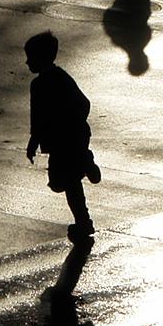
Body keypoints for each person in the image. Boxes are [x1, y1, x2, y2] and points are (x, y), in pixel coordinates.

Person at [25, 31, 102, 244]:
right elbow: (84, 103)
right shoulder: (63, 77)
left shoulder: (38, 85)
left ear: (40, 59)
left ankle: (84, 221)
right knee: (71, 183)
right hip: (76, 138)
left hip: (62, 143)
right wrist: (76, 124)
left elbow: (37, 117)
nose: (27, 62)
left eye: (30, 57)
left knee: (62, 182)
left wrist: (34, 142)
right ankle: (83, 221)